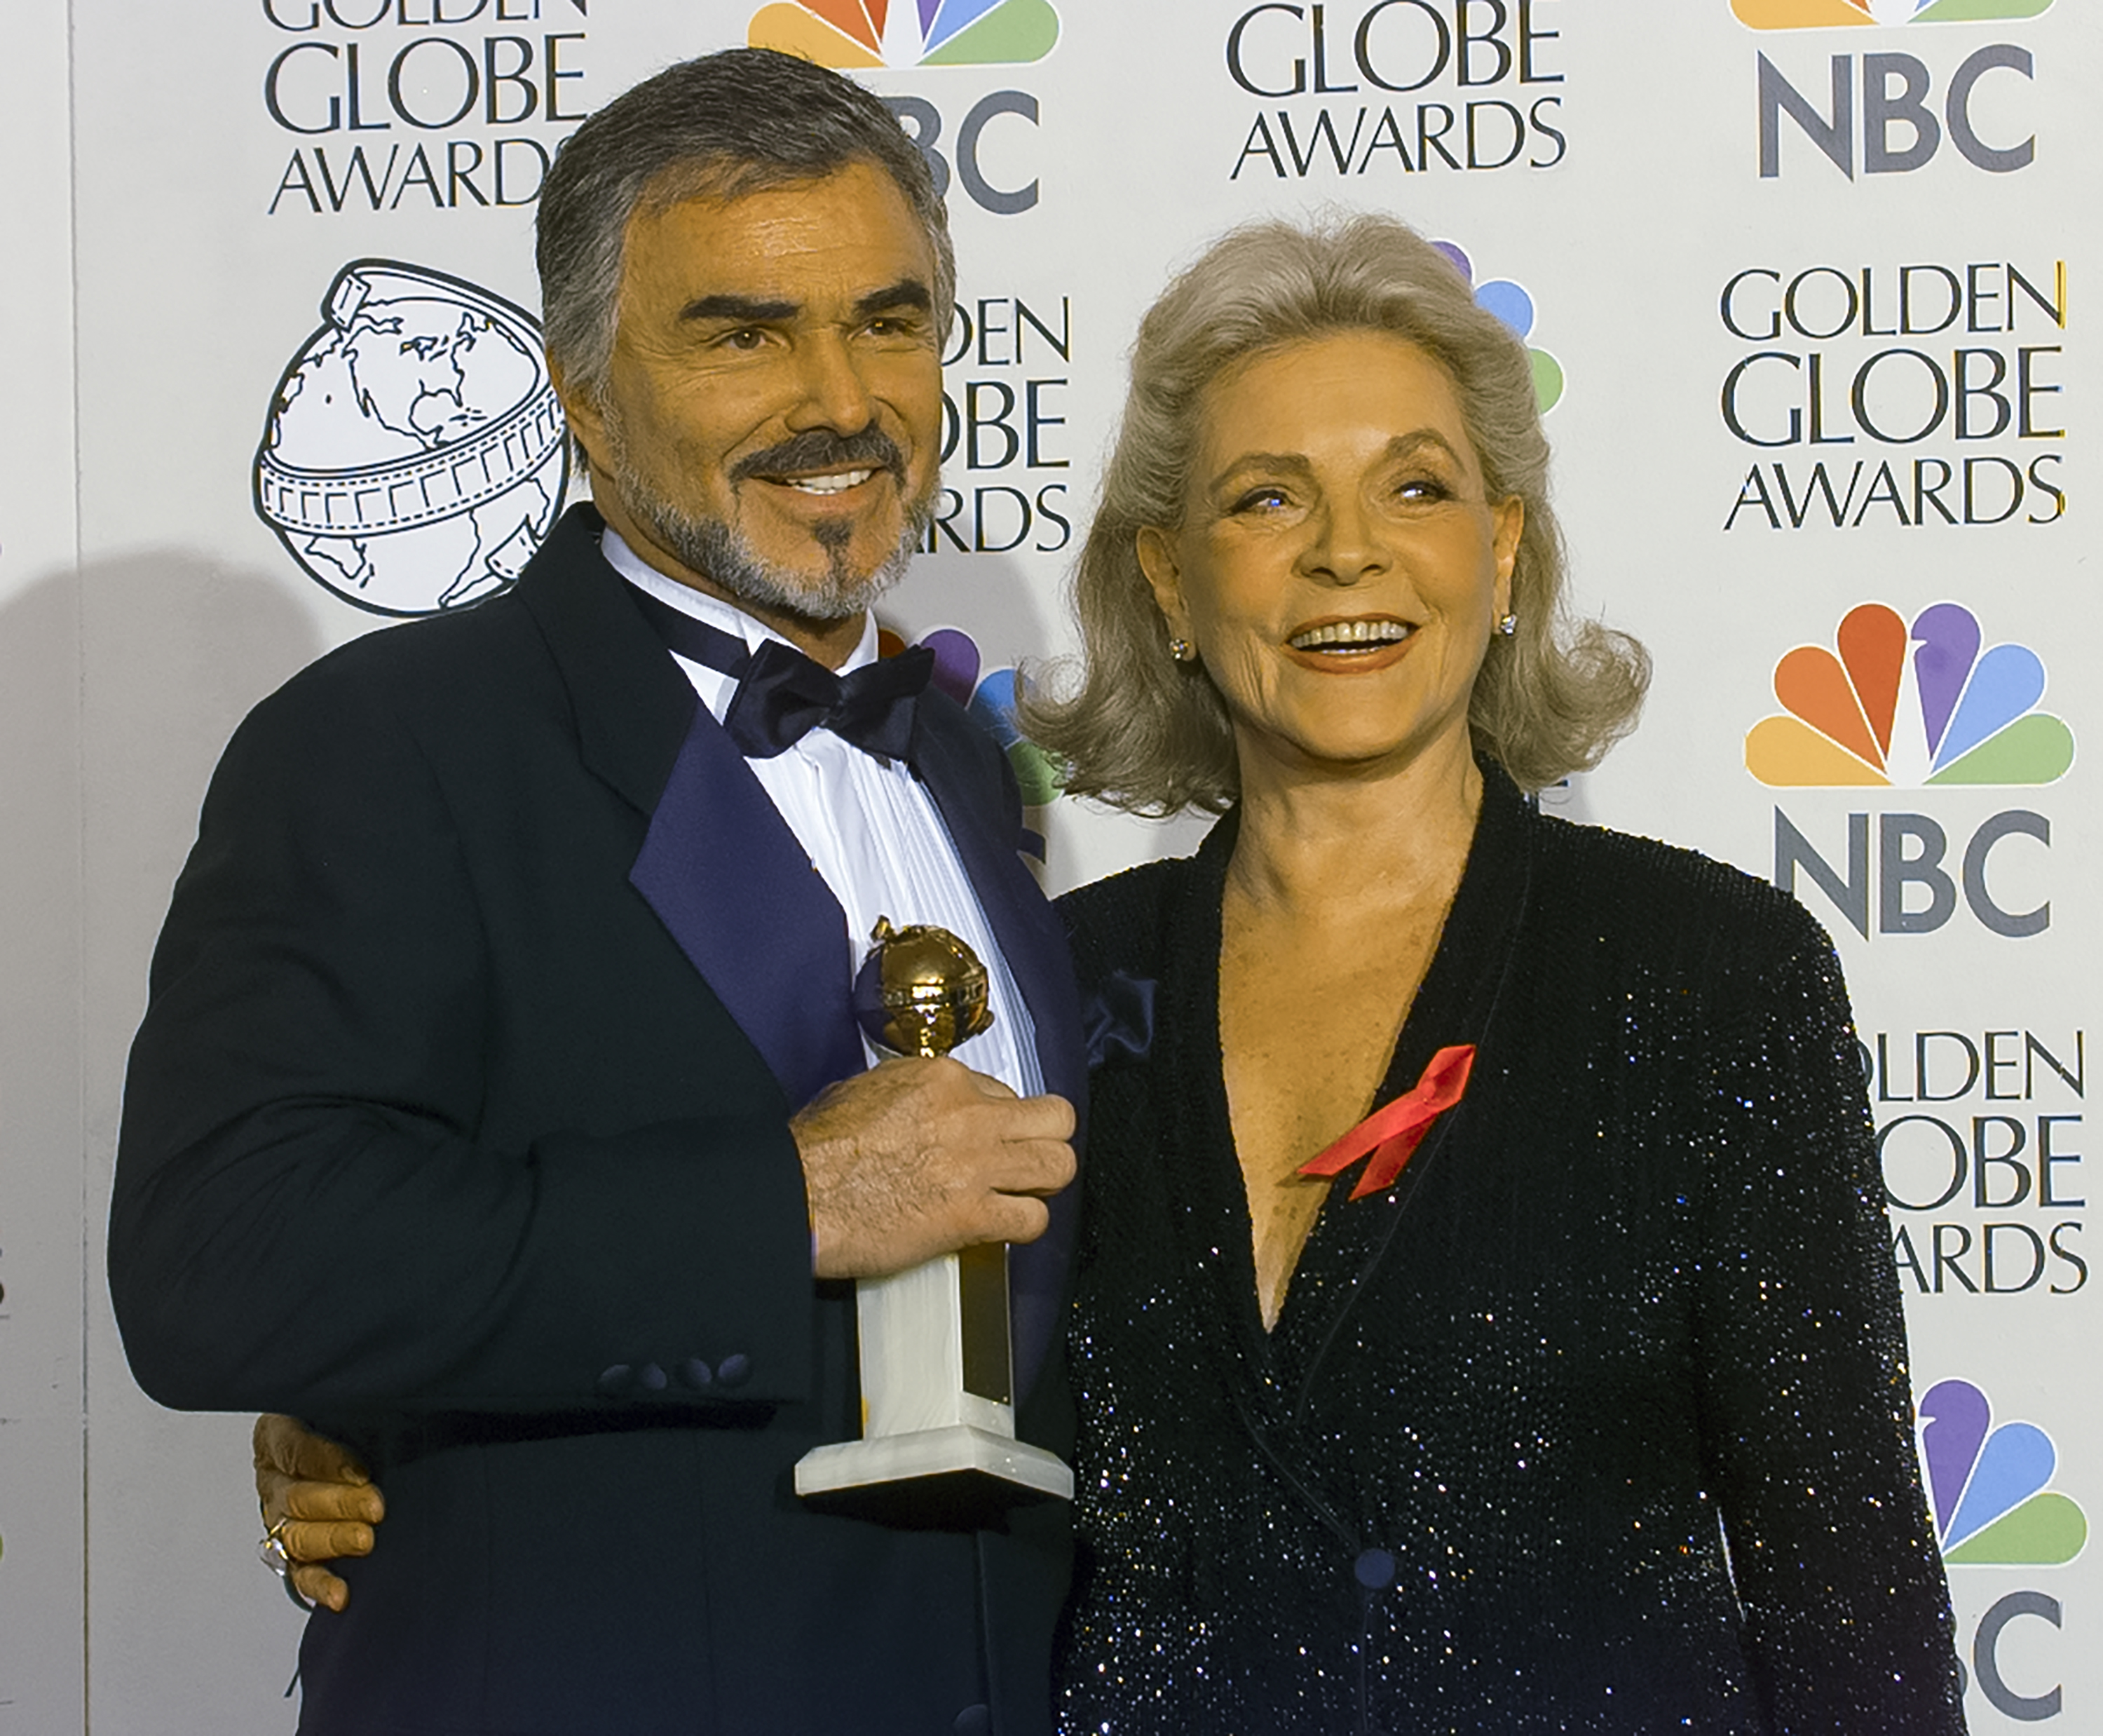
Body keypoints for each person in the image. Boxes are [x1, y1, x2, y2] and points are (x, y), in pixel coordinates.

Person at [253, 214, 1969, 1734]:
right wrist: (394, 1415)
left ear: (1504, 552)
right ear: (1169, 574)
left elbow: (1856, 1598)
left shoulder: (1705, 971)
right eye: (1265, 497)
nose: (1347, 552)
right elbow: (797, 1316)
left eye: (1417, 486)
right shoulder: (1049, 980)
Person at [110, 48, 1081, 1736]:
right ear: (578, 386)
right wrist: (782, 1203)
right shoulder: (389, 743)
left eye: (889, 318)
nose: (840, 396)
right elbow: (222, 1259)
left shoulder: (960, 762)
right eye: (742, 332)